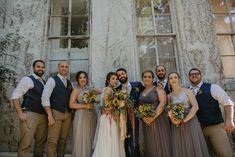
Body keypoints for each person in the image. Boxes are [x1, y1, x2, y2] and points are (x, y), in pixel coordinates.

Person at [188, 68, 234, 157]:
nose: (194, 75)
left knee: (224, 154)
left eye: (196, 73)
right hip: (197, 130)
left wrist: (229, 120)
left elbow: (227, 102)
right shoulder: (187, 91)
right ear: (189, 77)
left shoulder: (212, 87)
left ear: (201, 75)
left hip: (215, 127)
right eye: (191, 74)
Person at [168, 72, 209, 157]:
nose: (173, 79)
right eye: (171, 78)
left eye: (175, 77)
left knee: (192, 143)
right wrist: (174, 120)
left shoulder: (187, 91)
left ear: (179, 79)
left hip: (190, 121)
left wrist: (184, 120)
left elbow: (195, 107)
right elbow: (169, 111)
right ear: (169, 81)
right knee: (181, 146)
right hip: (177, 124)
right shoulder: (169, 96)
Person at [11, 60, 47, 157]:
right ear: (33, 68)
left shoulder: (44, 82)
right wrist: (20, 113)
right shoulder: (27, 80)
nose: (40, 69)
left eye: (42, 67)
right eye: (38, 66)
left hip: (43, 116)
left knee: (40, 143)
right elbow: (15, 96)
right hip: (30, 115)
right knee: (26, 143)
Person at [41, 60, 73, 157]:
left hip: (67, 114)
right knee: (53, 140)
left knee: (63, 140)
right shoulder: (52, 80)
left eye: (66, 67)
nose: (64, 68)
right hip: (55, 113)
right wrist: (50, 115)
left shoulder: (69, 82)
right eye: (62, 66)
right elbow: (45, 97)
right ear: (58, 68)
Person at [139, 70, 171, 157]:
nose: (147, 78)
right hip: (146, 122)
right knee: (151, 143)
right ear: (142, 78)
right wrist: (144, 118)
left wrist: (152, 117)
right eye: (145, 76)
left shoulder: (158, 88)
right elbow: (140, 107)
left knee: (160, 142)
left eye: (149, 77)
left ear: (153, 78)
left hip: (159, 119)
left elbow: (163, 103)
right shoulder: (141, 92)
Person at [92, 72, 125, 157]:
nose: (115, 81)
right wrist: (117, 108)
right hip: (108, 118)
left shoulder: (111, 90)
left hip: (110, 117)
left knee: (109, 140)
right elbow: (106, 107)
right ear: (108, 80)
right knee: (108, 140)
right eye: (113, 79)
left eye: (116, 79)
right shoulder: (108, 89)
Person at [69, 71, 101, 157]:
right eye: (80, 78)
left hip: (91, 115)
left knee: (90, 136)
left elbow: (101, 92)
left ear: (87, 79)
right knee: (81, 137)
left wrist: (92, 87)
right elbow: (71, 104)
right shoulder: (76, 90)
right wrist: (85, 106)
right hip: (81, 115)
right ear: (77, 80)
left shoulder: (89, 89)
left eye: (84, 77)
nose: (82, 79)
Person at [116, 68, 143, 157]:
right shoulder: (117, 90)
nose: (121, 76)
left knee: (134, 141)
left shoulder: (137, 85)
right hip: (122, 118)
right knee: (124, 142)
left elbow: (144, 96)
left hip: (134, 116)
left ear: (126, 74)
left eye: (122, 74)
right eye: (119, 75)